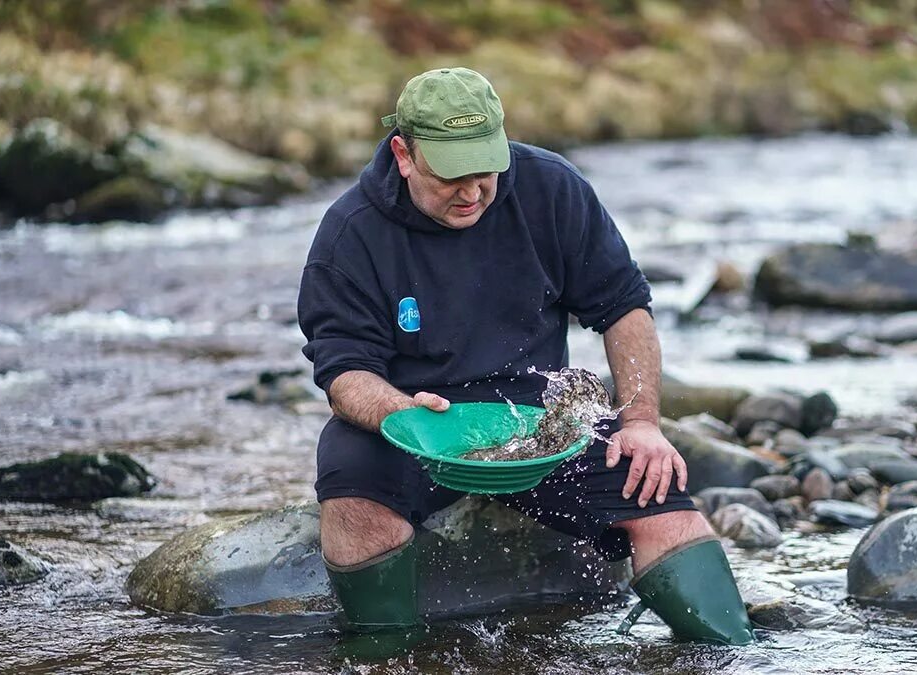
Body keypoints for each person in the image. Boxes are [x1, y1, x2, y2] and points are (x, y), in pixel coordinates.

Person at [297, 67, 752, 645]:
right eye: (450, 176)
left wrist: (641, 423)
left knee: (658, 496)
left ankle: (734, 651)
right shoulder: (350, 234)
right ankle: (385, 649)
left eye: (484, 171)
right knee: (350, 486)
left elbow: (624, 307)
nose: (471, 192)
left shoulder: (551, 188)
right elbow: (344, 370)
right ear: (404, 155)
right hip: (415, 423)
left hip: (541, 418)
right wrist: (398, 412)